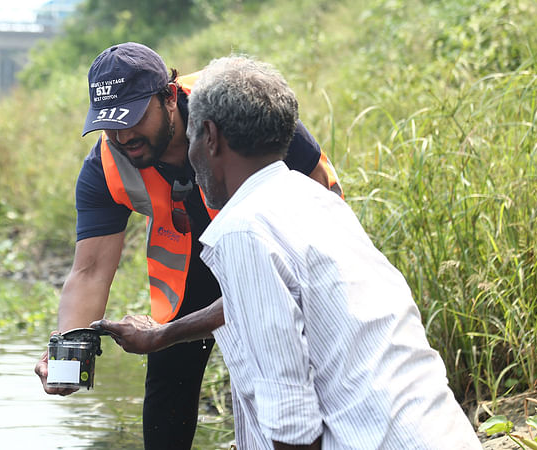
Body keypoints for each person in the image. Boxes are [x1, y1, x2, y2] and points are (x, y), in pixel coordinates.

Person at [34, 42, 343, 449]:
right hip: (188, 264)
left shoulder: (240, 110)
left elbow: (324, 210)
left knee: (285, 369)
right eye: (111, 124)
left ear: (169, 96)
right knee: (168, 376)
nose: (124, 136)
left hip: (274, 253)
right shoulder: (104, 167)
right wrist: (68, 352)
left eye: (134, 118)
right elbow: (89, 271)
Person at [184, 55, 482, 449]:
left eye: (190, 138)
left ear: (210, 136)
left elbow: (291, 423)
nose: (190, 155)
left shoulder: (243, 228)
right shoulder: (318, 200)